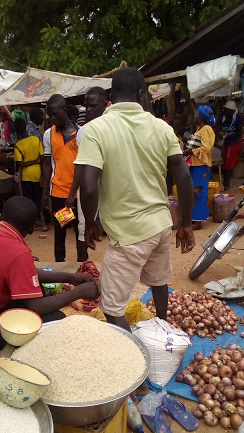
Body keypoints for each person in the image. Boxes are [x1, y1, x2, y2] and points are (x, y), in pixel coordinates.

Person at [75, 67, 195, 332]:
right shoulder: (161, 128)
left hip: (128, 234)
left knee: (111, 308)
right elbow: (183, 176)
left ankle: (137, 359)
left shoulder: (95, 130)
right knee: (158, 281)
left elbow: (88, 186)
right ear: (142, 94)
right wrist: (185, 223)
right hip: (161, 225)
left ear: (112, 96)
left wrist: (91, 223)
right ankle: (163, 329)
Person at [0, 196, 99, 373]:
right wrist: (78, 292)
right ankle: (26, 364)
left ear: (2, 216)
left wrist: (70, 278)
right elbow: (34, 306)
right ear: (32, 228)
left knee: (27, 297)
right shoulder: (18, 252)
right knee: (56, 321)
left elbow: (26, 274)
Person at [66, 87, 108, 261]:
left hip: (112, 185)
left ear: (105, 105)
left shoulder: (115, 126)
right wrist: (73, 193)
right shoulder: (83, 131)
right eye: (86, 106)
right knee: (84, 227)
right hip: (90, 185)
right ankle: (81, 263)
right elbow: (81, 165)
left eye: (93, 106)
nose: (89, 110)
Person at [42, 94, 82, 261]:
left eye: (55, 114)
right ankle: (60, 267)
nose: (52, 118)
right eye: (49, 115)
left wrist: (73, 195)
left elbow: (83, 165)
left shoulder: (81, 133)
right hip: (58, 194)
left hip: (79, 195)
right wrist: (44, 192)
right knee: (60, 233)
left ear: (64, 110)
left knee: (81, 232)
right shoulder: (48, 135)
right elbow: (46, 164)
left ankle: (83, 265)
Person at [183, 105, 215, 230]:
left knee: (199, 192)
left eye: (196, 114)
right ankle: (195, 218)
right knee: (194, 191)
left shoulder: (207, 129)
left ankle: (198, 221)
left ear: (201, 117)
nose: (194, 116)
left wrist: (190, 152)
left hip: (202, 166)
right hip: (196, 165)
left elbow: (206, 148)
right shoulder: (200, 129)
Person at [14, 118, 48, 231]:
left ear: (17, 131)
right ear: (25, 127)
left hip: (26, 176)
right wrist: (42, 174)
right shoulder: (36, 140)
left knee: (30, 200)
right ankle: (43, 223)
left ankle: (32, 224)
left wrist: (31, 162)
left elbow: (21, 164)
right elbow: (42, 159)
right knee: (39, 199)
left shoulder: (18, 145)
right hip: (38, 174)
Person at [216, 100, 243, 190]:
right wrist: (216, 136)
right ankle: (225, 180)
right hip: (226, 140)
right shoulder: (222, 117)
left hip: (234, 141)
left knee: (229, 162)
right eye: (225, 110)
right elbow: (217, 128)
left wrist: (225, 136)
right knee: (224, 161)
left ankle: (226, 183)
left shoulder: (238, 118)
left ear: (232, 111)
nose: (226, 112)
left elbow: (239, 133)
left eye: (227, 111)